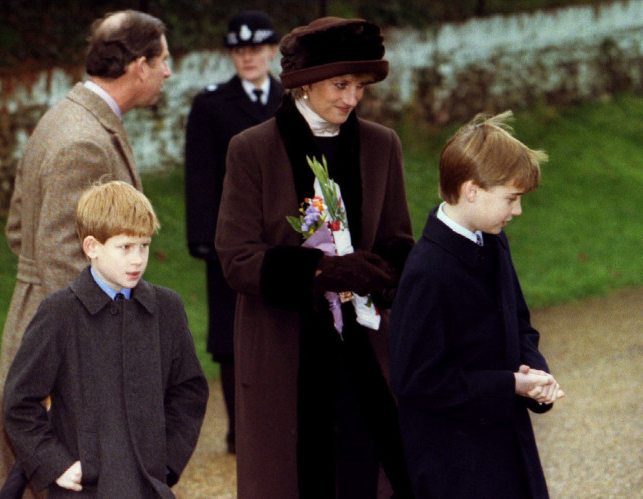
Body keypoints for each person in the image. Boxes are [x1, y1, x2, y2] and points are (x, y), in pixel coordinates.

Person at [215, 16, 414, 498]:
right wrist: (320, 270)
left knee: (372, 474)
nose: (351, 98)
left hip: (366, 350)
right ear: (303, 85)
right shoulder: (252, 148)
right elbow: (236, 257)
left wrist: (382, 274)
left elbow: (398, 239)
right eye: (340, 84)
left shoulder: (381, 144)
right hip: (288, 349)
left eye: (360, 86)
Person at [0, 10, 172, 496]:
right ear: (139, 65)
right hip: (63, 338)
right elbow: (59, 253)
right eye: (164, 59)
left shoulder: (69, 117)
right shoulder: (83, 140)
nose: (168, 72)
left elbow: (17, 230)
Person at [388, 111, 564, 498]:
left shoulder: (493, 240)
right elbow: (415, 380)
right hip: (454, 464)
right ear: (472, 190)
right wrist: (509, 385)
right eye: (511, 199)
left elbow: (518, 322)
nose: (516, 211)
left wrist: (535, 374)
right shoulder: (427, 271)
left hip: (507, 443)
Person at [2, 180, 208, 498]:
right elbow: (19, 402)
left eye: (144, 245)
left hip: (148, 486)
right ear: (92, 247)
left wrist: (166, 463)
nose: (137, 259)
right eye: (125, 247)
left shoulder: (166, 308)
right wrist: (55, 463)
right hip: (85, 489)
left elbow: (189, 391)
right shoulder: (59, 313)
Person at [184, 9, 283, 454]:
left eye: (256, 50)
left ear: (271, 51)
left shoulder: (291, 98)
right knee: (230, 337)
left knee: (281, 326)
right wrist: (204, 239)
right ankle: (240, 430)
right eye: (240, 51)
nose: (249, 58)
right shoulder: (210, 105)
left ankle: (279, 419)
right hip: (231, 238)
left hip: (282, 236)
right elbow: (200, 174)